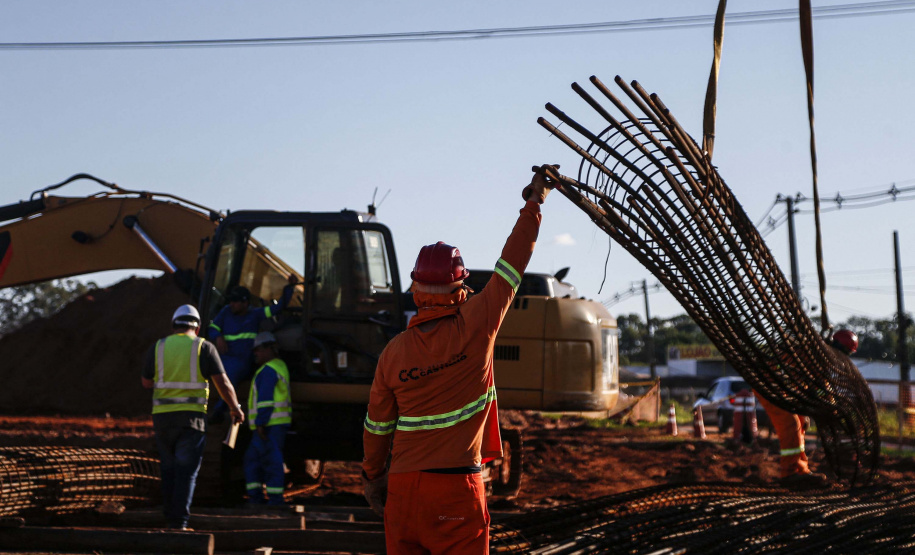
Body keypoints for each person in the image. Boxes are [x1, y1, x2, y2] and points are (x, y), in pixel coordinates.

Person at [362, 164, 558, 554]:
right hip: (455, 489)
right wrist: (534, 202)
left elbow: (377, 426)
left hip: (401, 489)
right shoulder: (478, 322)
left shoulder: (393, 352)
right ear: (460, 284)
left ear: (416, 288)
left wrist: (372, 477)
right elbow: (511, 264)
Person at [141, 304, 245, 530]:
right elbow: (223, 383)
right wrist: (235, 408)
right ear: (197, 328)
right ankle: (179, 523)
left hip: (163, 419)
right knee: (186, 472)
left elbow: (146, 382)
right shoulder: (203, 347)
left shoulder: (158, 347)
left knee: (168, 469)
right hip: (191, 420)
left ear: (174, 326)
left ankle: (169, 516)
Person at [756, 328, 859, 487]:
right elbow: (820, 387)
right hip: (768, 385)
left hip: (783, 390)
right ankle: (788, 473)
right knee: (791, 423)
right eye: (845, 352)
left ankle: (800, 469)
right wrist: (834, 409)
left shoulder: (821, 355)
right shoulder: (817, 355)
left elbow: (818, 386)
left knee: (801, 422)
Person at [207, 275, 297, 420]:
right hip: (225, 356)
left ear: (245, 303)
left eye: (235, 302)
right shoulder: (226, 311)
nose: (232, 304)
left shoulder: (256, 314)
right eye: (231, 301)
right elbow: (213, 326)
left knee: (231, 375)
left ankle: (219, 411)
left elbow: (278, 308)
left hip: (242, 359)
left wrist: (290, 288)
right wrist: (218, 336)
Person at [243, 331, 292, 506]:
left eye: (258, 349)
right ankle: (257, 498)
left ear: (270, 349)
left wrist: (261, 423)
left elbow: (265, 401)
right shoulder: (278, 366)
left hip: (269, 425)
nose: (255, 353)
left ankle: (274, 500)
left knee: (270, 462)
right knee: (254, 460)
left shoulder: (268, 370)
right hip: (274, 425)